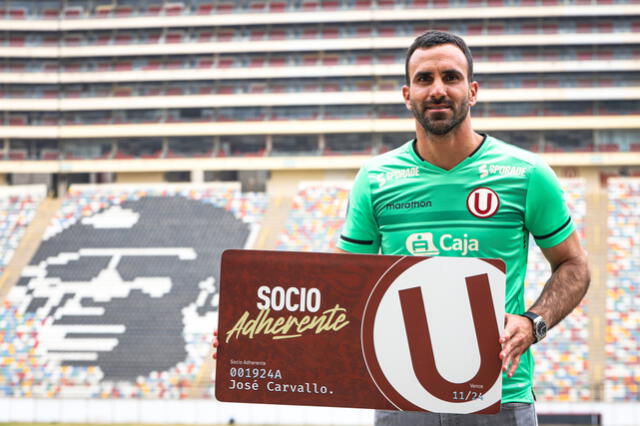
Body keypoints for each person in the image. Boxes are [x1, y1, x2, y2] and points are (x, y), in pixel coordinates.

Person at [335, 30, 590, 425]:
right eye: (424, 79)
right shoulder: (375, 179)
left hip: (500, 399)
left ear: (472, 91)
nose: (438, 90)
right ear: (407, 95)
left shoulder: (526, 173)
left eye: (450, 78)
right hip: (401, 399)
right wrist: (247, 336)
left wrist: (532, 322)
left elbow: (574, 265)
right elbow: (335, 285)